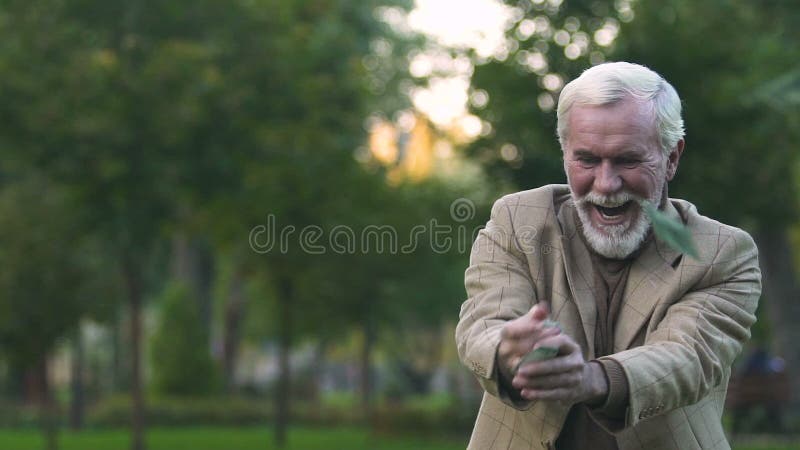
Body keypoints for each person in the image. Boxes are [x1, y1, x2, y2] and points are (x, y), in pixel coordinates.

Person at [455, 62, 761, 450]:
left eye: (628, 160)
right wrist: (510, 350)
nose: (606, 184)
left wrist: (591, 378)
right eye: (586, 160)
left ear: (672, 158)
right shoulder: (518, 220)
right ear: (564, 152)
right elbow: (485, 322)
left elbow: (688, 358)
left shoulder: (722, 253)